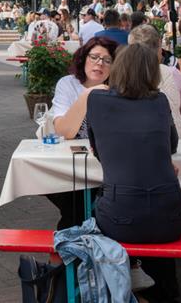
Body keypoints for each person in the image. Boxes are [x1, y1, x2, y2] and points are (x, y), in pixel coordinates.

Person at [86, 43, 181, 301]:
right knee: (152, 224)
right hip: (169, 216)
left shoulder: (96, 100)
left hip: (120, 216)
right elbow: (171, 145)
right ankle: (161, 293)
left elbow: (97, 150)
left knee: (95, 209)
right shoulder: (159, 101)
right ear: (152, 73)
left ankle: (126, 284)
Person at [44, 37, 119, 230]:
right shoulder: (68, 84)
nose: (99, 63)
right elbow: (64, 131)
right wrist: (88, 95)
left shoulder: (118, 88)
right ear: (83, 58)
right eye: (94, 57)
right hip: (70, 166)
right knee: (74, 202)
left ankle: (71, 249)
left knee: (76, 210)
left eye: (107, 60)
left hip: (107, 166)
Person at [128, 25, 181, 140]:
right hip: (174, 143)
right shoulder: (171, 73)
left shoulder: (122, 75)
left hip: (135, 143)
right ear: (159, 45)